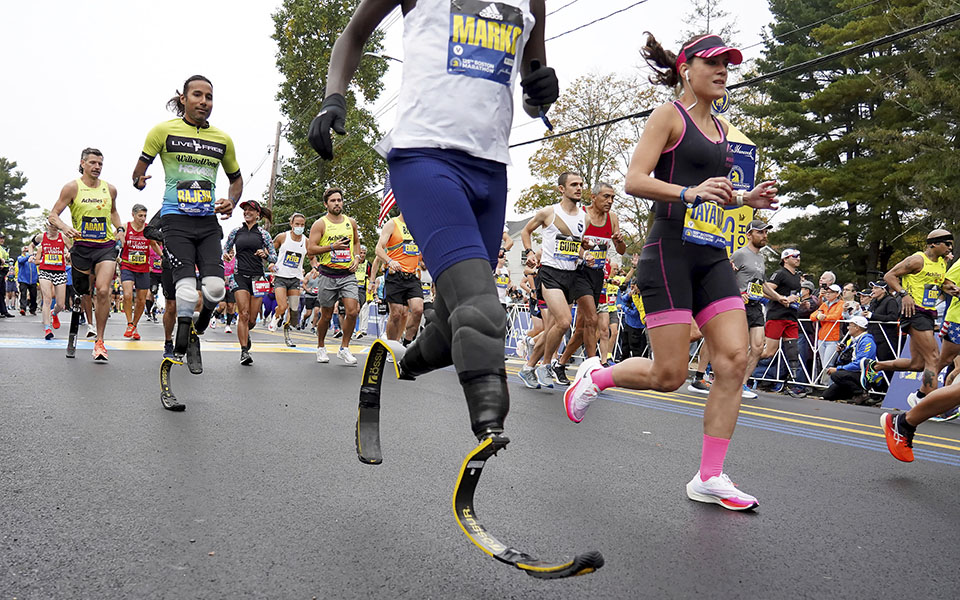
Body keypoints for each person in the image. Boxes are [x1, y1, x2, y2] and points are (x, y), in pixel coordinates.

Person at [308, 0, 560, 543]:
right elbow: (354, 32)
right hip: (425, 158)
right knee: (482, 309)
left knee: (451, 329)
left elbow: (533, 74)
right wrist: (334, 98)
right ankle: (488, 433)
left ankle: (396, 358)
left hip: (492, 169)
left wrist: (543, 89)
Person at [563, 33, 778, 510]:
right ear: (687, 69)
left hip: (711, 253)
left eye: (729, 64)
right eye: (714, 63)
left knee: (734, 360)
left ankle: (710, 476)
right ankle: (596, 377)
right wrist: (687, 192)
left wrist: (747, 199)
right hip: (669, 251)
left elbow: (716, 193)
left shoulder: (724, 131)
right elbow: (635, 179)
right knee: (670, 374)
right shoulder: (669, 116)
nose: (723, 71)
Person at [132, 75, 241, 407]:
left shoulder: (222, 139)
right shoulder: (162, 132)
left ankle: (196, 333)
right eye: (197, 94)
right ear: (183, 98)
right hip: (175, 221)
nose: (204, 101)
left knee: (216, 291)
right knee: (183, 294)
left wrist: (231, 201)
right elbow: (138, 173)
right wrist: (139, 181)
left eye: (209, 96)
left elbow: (236, 180)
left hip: (207, 223)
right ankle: (172, 361)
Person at [862, 229, 952, 408]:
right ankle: (924, 400)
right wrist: (904, 294)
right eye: (946, 244)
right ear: (933, 244)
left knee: (917, 364)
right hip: (914, 312)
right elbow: (890, 275)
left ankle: (874, 367)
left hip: (928, 312)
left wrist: (951, 288)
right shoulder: (917, 260)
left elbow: (938, 283)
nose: (950, 248)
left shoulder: (942, 262)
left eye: (951, 244)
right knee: (934, 358)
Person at [48, 147, 122, 361]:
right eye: (92, 163)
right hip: (81, 248)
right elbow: (53, 214)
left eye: (100, 163)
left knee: (104, 289)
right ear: (82, 163)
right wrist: (64, 227)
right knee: (83, 291)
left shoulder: (110, 189)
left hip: (105, 246)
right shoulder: (72, 188)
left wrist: (120, 230)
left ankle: (100, 341)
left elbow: (114, 212)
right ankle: (80, 308)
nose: (97, 167)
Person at [518, 173, 591, 387]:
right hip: (550, 274)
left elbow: (572, 247)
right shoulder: (548, 212)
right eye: (573, 185)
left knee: (554, 328)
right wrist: (530, 252)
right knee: (565, 321)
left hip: (571, 276)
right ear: (562, 189)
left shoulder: (584, 218)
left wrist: (583, 252)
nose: (578, 188)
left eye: (580, 185)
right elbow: (525, 231)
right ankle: (546, 364)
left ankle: (528, 367)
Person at [555, 181, 627, 378]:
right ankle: (592, 369)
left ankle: (560, 364)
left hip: (597, 276)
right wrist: (582, 252)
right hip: (579, 273)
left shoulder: (612, 218)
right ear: (593, 197)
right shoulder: (581, 214)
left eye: (612, 197)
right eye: (606, 196)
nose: (610, 201)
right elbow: (565, 244)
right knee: (592, 320)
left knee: (581, 329)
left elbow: (621, 250)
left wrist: (620, 242)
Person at [307, 188, 361, 365]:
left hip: (347, 274)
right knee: (327, 315)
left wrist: (358, 258)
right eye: (333, 201)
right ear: (326, 204)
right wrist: (332, 247)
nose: (337, 203)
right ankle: (321, 347)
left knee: (353, 311)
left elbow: (356, 242)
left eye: (339, 200)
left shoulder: (350, 222)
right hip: (328, 274)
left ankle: (344, 348)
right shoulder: (320, 224)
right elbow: (311, 249)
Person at [224, 200, 275, 365]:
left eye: (250, 210)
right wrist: (226, 254)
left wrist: (265, 255)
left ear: (258, 214)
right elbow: (226, 248)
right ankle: (244, 351)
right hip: (239, 276)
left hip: (258, 278)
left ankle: (246, 334)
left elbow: (274, 256)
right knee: (243, 314)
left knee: (252, 319)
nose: (247, 212)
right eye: (245, 210)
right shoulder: (236, 231)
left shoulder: (263, 234)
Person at [730, 219, 773, 400]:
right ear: (749, 235)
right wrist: (738, 294)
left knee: (757, 347)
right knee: (734, 348)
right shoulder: (740, 254)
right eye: (760, 232)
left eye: (765, 232)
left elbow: (762, 284)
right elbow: (724, 276)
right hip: (738, 306)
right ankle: (713, 376)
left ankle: (742, 384)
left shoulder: (761, 259)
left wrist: (780, 298)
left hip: (755, 306)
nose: (764, 236)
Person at [758, 248, 807, 397]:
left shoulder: (797, 277)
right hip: (777, 316)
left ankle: (791, 385)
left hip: (791, 317)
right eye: (795, 256)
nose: (798, 258)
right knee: (769, 352)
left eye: (799, 256)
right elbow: (765, 291)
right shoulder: (780, 274)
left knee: (793, 352)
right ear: (785, 259)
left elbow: (794, 296)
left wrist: (800, 303)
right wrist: (781, 298)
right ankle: (742, 361)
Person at [373, 212, 423, 347]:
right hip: (395, 276)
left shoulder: (418, 226)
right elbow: (378, 249)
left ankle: (407, 344)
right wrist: (390, 261)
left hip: (412, 276)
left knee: (418, 310)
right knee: (396, 314)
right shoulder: (392, 224)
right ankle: (392, 345)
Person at [118, 204, 155, 340]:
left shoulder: (147, 229)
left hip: (143, 268)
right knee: (127, 295)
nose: (143, 218)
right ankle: (129, 324)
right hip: (127, 265)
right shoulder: (126, 226)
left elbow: (154, 244)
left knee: (141, 300)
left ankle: (134, 325)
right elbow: (117, 235)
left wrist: (163, 256)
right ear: (133, 215)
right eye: (140, 215)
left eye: (145, 216)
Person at [272, 212, 308, 347]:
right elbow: (270, 251)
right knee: (282, 306)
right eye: (297, 224)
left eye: (302, 225)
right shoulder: (282, 237)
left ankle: (287, 336)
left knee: (293, 309)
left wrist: (316, 265)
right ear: (291, 224)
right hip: (281, 276)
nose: (299, 227)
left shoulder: (306, 241)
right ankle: (276, 317)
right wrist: (271, 263)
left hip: (295, 278)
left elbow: (312, 257)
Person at [821, 315, 876, 402]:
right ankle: (852, 395)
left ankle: (861, 393)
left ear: (857, 327)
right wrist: (842, 352)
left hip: (863, 374)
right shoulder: (854, 340)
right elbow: (847, 359)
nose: (847, 328)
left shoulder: (867, 341)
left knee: (836, 375)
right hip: (852, 373)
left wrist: (838, 369)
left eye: (850, 325)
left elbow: (861, 363)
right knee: (827, 395)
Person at [32, 224, 71, 339]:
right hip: (45, 271)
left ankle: (54, 313)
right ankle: (47, 329)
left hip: (59, 272)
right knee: (47, 299)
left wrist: (69, 254)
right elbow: (31, 245)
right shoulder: (41, 237)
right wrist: (31, 255)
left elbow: (72, 250)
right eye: (52, 227)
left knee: (60, 304)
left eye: (56, 227)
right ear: (47, 226)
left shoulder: (63, 237)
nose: (54, 230)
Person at [810, 284, 844, 379]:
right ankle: (826, 385)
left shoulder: (841, 304)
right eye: (827, 292)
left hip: (834, 338)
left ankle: (829, 386)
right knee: (824, 364)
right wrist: (818, 316)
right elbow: (813, 315)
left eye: (831, 292)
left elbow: (836, 316)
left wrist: (823, 317)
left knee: (828, 364)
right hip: (822, 337)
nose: (828, 294)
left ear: (837, 294)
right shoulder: (824, 304)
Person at [863, 280, 899, 362]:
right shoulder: (873, 302)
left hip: (886, 338)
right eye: (872, 288)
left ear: (883, 290)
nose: (872, 290)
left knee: (884, 361)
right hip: (873, 336)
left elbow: (893, 317)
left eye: (876, 288)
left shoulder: (891, 301)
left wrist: (872, 316)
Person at [16, 245, 39, 317]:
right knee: (23, 294)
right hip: (23, 279)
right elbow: (21, 261)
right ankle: (23, 308)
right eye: (25, 249)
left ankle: (33, 309)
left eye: (27, 249)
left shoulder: (34, 259)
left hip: (33, 280)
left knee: (33, 295)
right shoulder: (21, 257)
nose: (26, 250)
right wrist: (28, 256)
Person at [354, 245, 370, 339]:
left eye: (364, 253)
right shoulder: (353, 261)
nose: (362, 255)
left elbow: (371, 276)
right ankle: (356, 330)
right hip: (352, 287)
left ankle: (353, 330)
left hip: (362, 289)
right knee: (355, 309)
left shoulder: (368, 264)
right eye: (361, 253)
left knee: (357, 310)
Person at [0, 232, 12, 318]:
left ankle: (3, 311)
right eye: (0, 238)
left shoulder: (3, 248)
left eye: (3, 238)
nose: (2, 240)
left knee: (1, 292)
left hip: (3, 271)